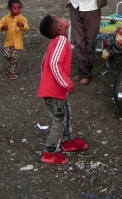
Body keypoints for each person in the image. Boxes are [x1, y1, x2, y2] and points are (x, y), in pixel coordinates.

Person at [37, 14, 89, 165]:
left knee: (66, 113)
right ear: (59, 27)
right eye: (59, 17)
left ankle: (68, 141)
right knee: (59, 120)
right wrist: (67, 83)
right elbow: (53, 64)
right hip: (54, 90)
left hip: (54, 90)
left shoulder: (55, 41)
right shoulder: (61, 40)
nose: (63, 17)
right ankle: (49, 152)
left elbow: (44, 63)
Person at [0, 0, 30, 80]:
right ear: (9, 9)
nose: (17, 10)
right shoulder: (5, 18)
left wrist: (22, 25)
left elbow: (27, 28)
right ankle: (15, 64)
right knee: (6, 55)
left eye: (19, 8)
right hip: (8, 42)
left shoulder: (22, 19)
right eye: (15, 8)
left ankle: (13, 71)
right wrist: (2, 27)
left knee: (14, 56)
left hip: (17, 43)